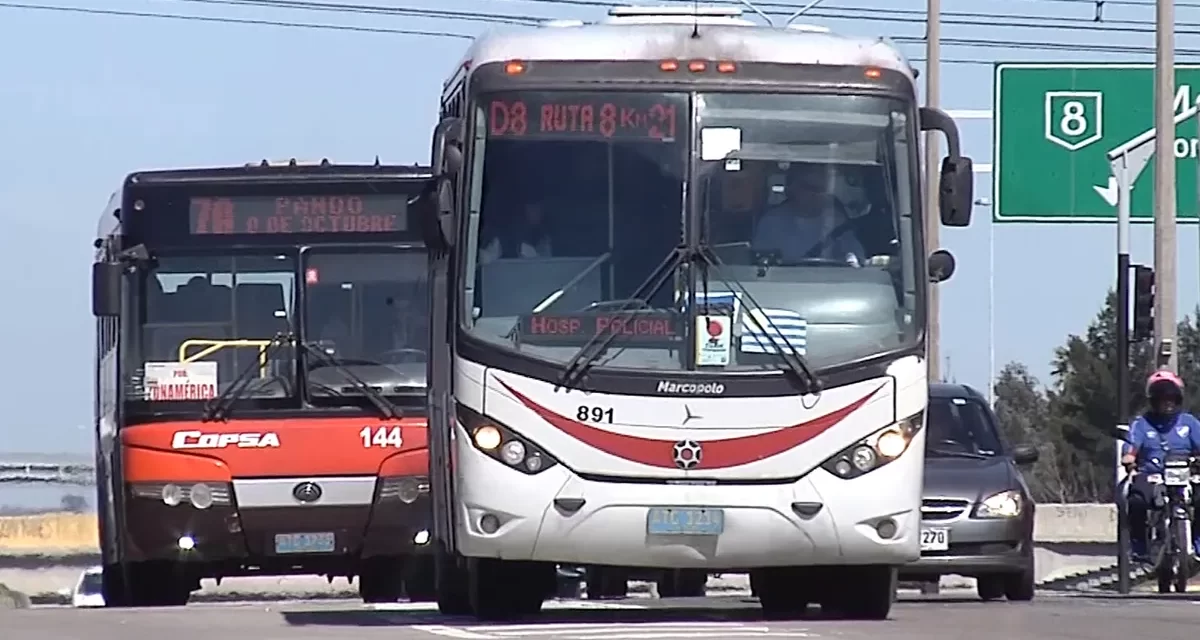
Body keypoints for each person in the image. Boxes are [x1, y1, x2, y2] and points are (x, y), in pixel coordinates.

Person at [1121, 369, 1200, 561]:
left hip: (1186, 473)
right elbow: (1130, 449)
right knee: (1136, 500)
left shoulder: (1189, 423)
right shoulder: (1141, 424)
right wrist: (1129, 458)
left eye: (1171, 397)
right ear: (1153, 400)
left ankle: (1198, 543)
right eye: (1162, 398)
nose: (1167, 402)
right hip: (1152, 475)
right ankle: (1140, 546)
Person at [750, 163, 866, 266]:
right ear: (792, 188)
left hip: (828, 285)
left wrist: (852, 260)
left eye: (821, 189)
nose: (815, 194)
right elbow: (759, 262)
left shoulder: (838, 221)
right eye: (809, 187)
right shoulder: (771, 221)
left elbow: (855, 258)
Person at [478, 201, 552, 264]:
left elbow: (547, 266)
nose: (537, 212)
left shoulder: (544, 239)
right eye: (532, 207)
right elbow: (484, 260)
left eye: (539, 209)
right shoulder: (502, 240)